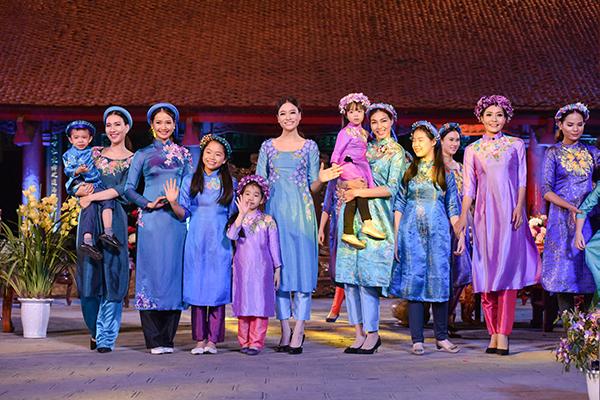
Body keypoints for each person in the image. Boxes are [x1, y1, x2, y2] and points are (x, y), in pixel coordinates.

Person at [456, 95, 541, 356]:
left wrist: (519, 207)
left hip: (509, 216)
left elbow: (522, 180)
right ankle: (493, 333)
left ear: (506, 118)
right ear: (480, 117)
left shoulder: (515, 145)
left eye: (499, 115)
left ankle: (503, 333)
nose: (494, 119)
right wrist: (463, 216)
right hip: (484, 217)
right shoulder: (472, 150)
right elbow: (469, 188)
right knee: (486, 274)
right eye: (489, 114)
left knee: (507, 274)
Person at [256, 96, 341, 354]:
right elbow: (259, 183)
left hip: (302, 215)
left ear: (300, 115)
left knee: (302, 273)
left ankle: (300, 329)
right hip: (274, 214)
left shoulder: (309, 147)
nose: (288, 117)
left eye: (292, 112)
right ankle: (285, 330)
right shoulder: (267, 146)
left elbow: (313, 186)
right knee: (279, 273)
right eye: (283, 113)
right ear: (277, 118)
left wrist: (322, 179)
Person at [336, 102, 408, 354]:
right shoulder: (364, 145)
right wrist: (346, 186)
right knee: (349, 279)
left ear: (392, 122)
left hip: (376, 218)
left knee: (367, 279)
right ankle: (357, 333)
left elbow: (392, 188)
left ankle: (373, 333)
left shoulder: (396, 152)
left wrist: (359, 191)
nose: (378, 126)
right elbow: (345, 172)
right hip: (351, 214)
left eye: (383, 121)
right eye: (374, 121)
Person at [390, 121, 464, 355]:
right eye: (413, 140)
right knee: (415, 282)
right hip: (411, 232)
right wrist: (396, 235)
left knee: (439, 281)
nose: (416, 144)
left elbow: (452, 206)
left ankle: (441, 337)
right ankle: (417, 339)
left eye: (420, 140)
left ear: (433, 142)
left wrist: (459, 233)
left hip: (438, 234)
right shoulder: (409, 171)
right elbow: (399, 204)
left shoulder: (445, 173)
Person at [124, 102, 192, 355]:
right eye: (159, 122)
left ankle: (168, 338)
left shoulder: (184, 155)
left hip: (175, 221)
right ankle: (153, 340)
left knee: (173, 274)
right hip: (151, 221)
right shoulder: (142, 154)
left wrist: (177, 203)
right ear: (152, 125)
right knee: (151, 274)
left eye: (168, 122)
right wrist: (147, 203)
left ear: (174, 125)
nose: (164, 126)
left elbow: (188, 189)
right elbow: (129, 188)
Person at [164, 134, 236, 355]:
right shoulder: (190, 180)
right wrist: (173, 202)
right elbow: (183, 213)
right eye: (208, 152)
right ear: (202, 153)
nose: (212, 157)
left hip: (220, 240)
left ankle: (213, 340)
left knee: (217, 289)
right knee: (197, 288)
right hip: (196, 239)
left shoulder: (230, 183)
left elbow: (234, 215)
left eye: (218, 154)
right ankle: (199, 340)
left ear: (225, 159)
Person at [73, 107, 134, 353]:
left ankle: (106, 337)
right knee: (89, 274)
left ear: (127, 127)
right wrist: (79, 192)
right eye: (109, 125)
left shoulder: (133, 159)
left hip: (114, 218)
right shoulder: (94, 153)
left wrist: (93, 196)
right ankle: (94, 330)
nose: (113, 129)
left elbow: (123, 189)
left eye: (118, 124)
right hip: (89, 218)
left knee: (113, 274)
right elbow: (75, 180)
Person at [543, 103, 598, 313]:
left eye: (580, 125)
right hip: (561, 220)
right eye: (570, 124)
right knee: (564, 272)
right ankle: (569, 327)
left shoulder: (592, 152)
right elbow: (546, 190)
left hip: (588, 218)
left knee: (589, 269)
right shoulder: (553, 153)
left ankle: (588, 327)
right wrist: (571, 207)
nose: (575, 129)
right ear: (560, 125)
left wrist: (585, 206)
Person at [227, 175, 282, 355]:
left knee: (259, 305)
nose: (251, 198)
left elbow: (274, 246)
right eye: (247, 194)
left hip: (262, 269)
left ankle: (256, 343)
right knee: (243, 305)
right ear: (240, 196)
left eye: (256, 195)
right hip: (242, 269)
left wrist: (277, 269)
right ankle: (244, 342)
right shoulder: (237, 219)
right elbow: (231, 236)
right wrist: (240, 215)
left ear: (263, 199)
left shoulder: (268, 220)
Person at [331, 93, 384, 249]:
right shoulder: (345, 132)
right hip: (347, 165)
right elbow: (337, 150)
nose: (356, 115)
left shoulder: (365, 133)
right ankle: (367, 222)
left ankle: (348, 231)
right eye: (352, 111)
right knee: (360, 188)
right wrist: (334, 164)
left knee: (355, 195)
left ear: (364, 113)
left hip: (361, 166)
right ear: (346, 114)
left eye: (359, 111)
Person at [63, 120, 120, 260]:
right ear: (70, 139)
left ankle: (97, 236)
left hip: (95, 184)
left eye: (84, 137)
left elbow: (105, 155)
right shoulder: (69, 154)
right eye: (76, 137)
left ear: (90, 139)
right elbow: (68, 170)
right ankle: (97, 236)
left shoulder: (93, 152)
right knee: (96, 204)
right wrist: (78, 170)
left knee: (99, 204)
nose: (80, 140)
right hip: (80, 183)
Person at [439, 122, 473, 333]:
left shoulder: (461, 168)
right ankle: (441, 316)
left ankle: (449, 314)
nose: (454, 143)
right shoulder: (434, 167)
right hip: (440, 221)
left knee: (461, 270)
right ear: (441, 141)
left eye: (457, 140)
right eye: (450, 139)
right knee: (442, 271)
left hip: (461, 221)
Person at [318, 178, 346, 323]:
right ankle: (336, 308)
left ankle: (336, 308)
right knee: (337, 270)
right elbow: (327, 206)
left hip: (356, 231)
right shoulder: (334, 180)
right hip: (337, 231)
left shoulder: (360, 175)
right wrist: (321, 229)